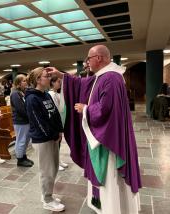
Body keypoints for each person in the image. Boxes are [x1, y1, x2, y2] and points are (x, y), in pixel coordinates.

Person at [47, 45, 142, 214]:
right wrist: (61, 75)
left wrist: (86, 109)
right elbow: (81, 83)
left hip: (109, 141)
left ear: (98, 58)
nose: (87, 62)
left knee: (109, 175)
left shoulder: (111, 78)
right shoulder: (102, 77)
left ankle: (114, 208)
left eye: (88, 59)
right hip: (105, 138)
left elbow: (108, 109)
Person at [25, 67, 65, 212]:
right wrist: (52, 135)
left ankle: (47, 195)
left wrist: (60, 130)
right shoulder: (31, 98)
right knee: (47, 171)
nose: (50, 78)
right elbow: (38, 122)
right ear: (38, 80)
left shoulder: (46, 95)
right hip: (43, 139)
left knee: (53, 168)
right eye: (46, 76)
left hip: (53, 137)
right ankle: (47, 200)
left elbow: (54, 114)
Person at [10, 74, 33, 167]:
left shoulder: (21, 92)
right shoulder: (15, 93)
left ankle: (24, 156)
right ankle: (20, 159)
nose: (26, 82)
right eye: (23, 81)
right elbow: (20, 109)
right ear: (18, 83)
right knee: (21, 140)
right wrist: (30, 116)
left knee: (26, 140)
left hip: (25, 121)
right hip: (20, 121)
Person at [49, 76, 68, 171]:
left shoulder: (56, 93)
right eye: (58, 81)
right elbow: (56, 110)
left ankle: (58, 160)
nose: (59, 83)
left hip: (60, 120)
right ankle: (55, 163)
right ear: (52, 83)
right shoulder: (51, 94)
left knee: (58, 144)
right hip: (55, 122)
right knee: (55, 144)